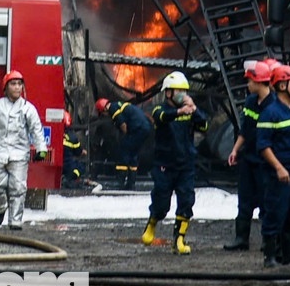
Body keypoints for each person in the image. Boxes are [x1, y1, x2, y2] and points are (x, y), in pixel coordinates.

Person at [142, 71, 208, 254]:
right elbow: (161, 117)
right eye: (178, 91)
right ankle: (153, 221)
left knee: (186, 201)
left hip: (185, 163)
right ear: (168, 92)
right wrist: (180, 111)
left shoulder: (190, 110)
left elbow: (204, 126)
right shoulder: (160, 109)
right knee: (161, 201)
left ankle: (179, 240)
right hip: (165, 164)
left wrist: (194, 110)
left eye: (184, 91)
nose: (182, 94)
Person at [0, 69, 48, 230]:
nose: (17, 87)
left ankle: (15, 221)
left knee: (18, 188)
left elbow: (36, 129)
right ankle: (1, 208)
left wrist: (41, 148)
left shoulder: (28, 109)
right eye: (13, 84)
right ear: (6, 87)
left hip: (19, 155)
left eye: (19, 84)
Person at [256, 64, 290, 268]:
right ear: (281, 86)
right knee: (275, 214)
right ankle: (270, 257)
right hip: (277, 176)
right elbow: (263, 146)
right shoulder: (270, 113)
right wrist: (279, 168)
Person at [223, 59, 273, 251]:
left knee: (266, 202)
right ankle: (241, 238)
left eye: (250, 81)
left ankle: (268, 242)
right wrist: (235, 150)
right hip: (249, 159)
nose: (248, 85)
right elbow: (245, 130)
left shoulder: (273, 106)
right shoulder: (251, 101)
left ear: (260, 82)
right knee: (244, 200)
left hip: (265, 162)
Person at [96, 97, 152, 190]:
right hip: (145, 128)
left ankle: (120, 182)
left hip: (136, 129)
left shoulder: (112, 109)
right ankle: (131, 184)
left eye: (103, 113)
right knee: (133, 155)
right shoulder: (118, 104)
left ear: (104, 109)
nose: (105, 115)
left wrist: (125, 136)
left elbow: (122, 124)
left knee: (123, 152)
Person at [62, 112, 101, 192]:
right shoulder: (72, 137)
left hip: (59, 164)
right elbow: (78, 152)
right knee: (81, 166)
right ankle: (70, 178)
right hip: (68, 164)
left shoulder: (55, 134)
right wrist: (83, 152)